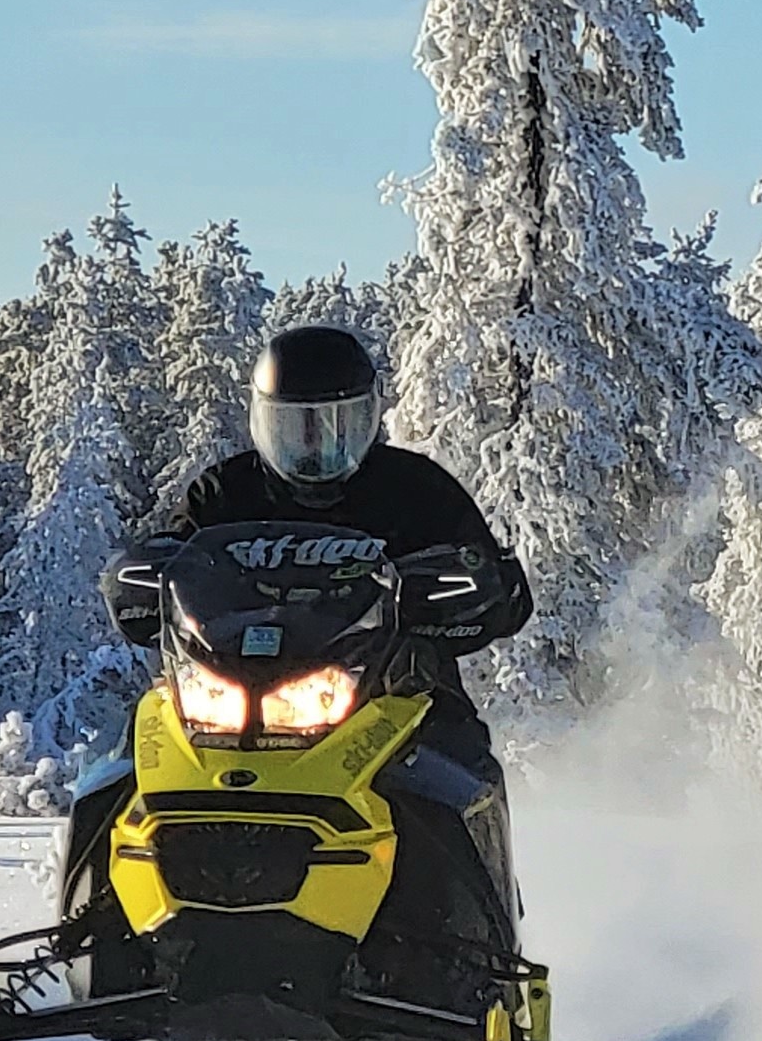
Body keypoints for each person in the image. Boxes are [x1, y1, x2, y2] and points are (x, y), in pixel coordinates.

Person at [154, 325, 531, 775]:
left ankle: (467, 843)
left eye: (337, 423)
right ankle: (96, 846)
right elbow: (168, 559)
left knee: (456, 764)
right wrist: (139, 580)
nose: (315, 445)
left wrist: (479, 589)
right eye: (294, 427)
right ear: (262, 419)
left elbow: (496, 584)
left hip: (387, 689)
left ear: (368, 417)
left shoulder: (417, 490)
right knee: (126, 766)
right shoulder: (221, 494)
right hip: (226, 690)